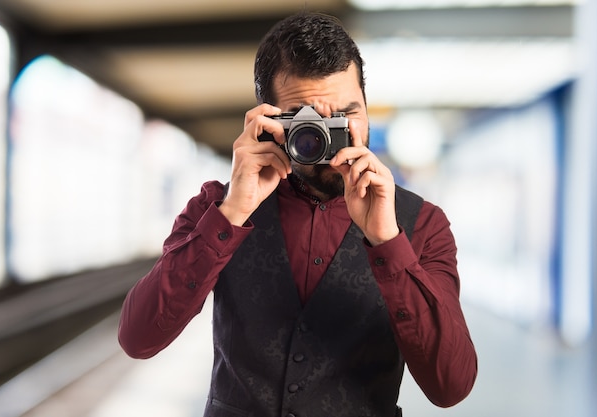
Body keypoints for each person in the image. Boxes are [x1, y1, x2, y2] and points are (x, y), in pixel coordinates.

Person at [119, 12, 477, 417]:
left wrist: (389, 242)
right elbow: (138, 338)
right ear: (268, 119)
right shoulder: (216, 207)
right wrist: (232, 213)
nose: (330, 135)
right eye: (306, 120)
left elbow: (451, 386)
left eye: (346, 114)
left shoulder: (423, 224)